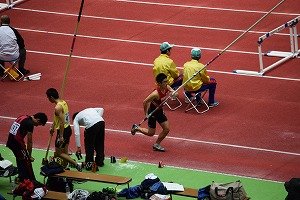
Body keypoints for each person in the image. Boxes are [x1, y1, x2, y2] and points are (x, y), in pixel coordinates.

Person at [131, 73, 177, 152]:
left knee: (166, 129)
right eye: (164, 82)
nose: (167, 83)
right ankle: (137, 128)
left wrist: (174, 94)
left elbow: (175, 93)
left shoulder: (167, 87)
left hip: (159, 111)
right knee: (151, 133)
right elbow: (145, 102)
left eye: (167, 81)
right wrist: (146, 114)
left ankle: (156, 144)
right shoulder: (155, 94)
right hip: (152, 112)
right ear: (159, 84)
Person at [46, 88, 82, 171]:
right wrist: (52, 126)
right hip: (68, 129)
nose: (48, 100)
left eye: (48, 98)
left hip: (63, 131)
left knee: (58, 152)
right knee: (65, 151)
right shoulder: (63, 102)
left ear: (51, 97)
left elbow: (62, 122)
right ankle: (65, 167)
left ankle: (76, 164)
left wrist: (61, 136)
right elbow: (57, 119)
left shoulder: (57, 107)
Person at [6, 113, 48, 181]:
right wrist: (29, 155)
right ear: (38, 120)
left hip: (10, 141)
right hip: (17, 143)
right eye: (38, 124)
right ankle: (31, 180)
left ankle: (21, 178)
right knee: (27, 161)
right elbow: (29, 141)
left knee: (20, 159)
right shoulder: (30, 124)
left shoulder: (23, 116)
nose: (37, 126)